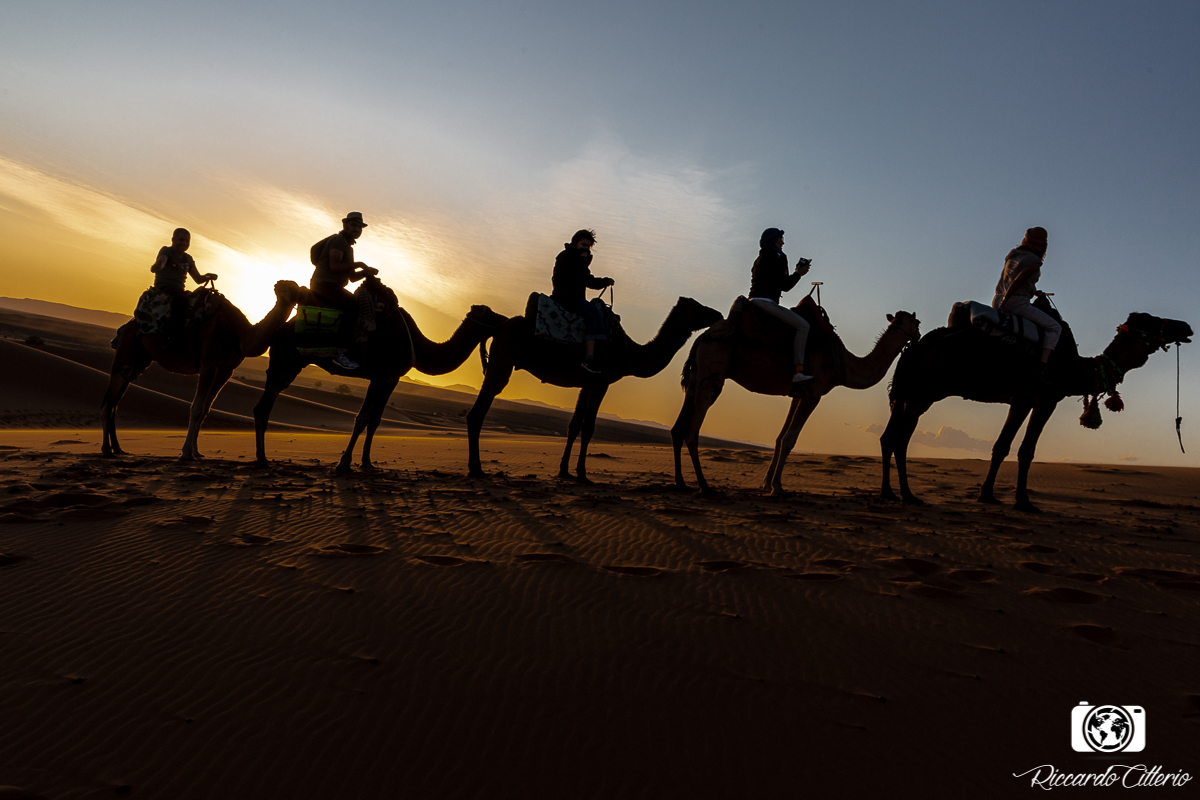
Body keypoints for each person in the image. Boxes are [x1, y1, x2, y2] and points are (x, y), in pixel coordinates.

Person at [309, 211, 378, 370]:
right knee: (353, 305)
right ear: (345, 225)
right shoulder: (339, 240)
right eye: (354, 225)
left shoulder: (347, 246)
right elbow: (335, 266)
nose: (357, 230)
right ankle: (341, 352)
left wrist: (366, 273)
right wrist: (360, 264)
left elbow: (352, 277)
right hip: (325, 285)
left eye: (360, 227)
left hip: (332, 286)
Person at [748, 228, 813, 383]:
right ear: (774, 240)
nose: (783, 242)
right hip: (766, 302)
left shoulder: (761, 258)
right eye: (780, 239)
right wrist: (799, 273)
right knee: (803, 326)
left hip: (754, 301)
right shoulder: (778, 257)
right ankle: (798, 370)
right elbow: (785, 286)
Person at [991, 226, 1062, 369]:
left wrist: (1033, 291)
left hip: (997, 299)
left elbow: (1013, 280)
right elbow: (1017, 281)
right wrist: (1006, 302)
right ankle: (1042, 365)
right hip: (1015, 303)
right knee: (1054, 328)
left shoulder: (1013, 254)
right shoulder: (1035, 261)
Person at [551, 229, 613, 373]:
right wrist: (582, 261)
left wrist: (605, 282)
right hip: (565, 297)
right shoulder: (566, 257)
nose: (585, 249)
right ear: (575, 242)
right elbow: (577, 276)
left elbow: (587, 280)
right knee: (594, 316)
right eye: (583, 245)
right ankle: (589, 358)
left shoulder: (578, 260)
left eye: (588, 247)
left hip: (574, 298)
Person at [150, 228, 216, 343]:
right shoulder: (166, 251)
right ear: (173, 239)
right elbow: (162, 261)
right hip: (164, 288)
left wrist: (208, 277)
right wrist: (158, 266)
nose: (184, 243)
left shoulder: (188, 259)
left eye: (187, 241)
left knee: (202, 298)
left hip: (179, 290)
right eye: (181, 240)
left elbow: (198, 279)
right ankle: (172, 336)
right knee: (181, 300)